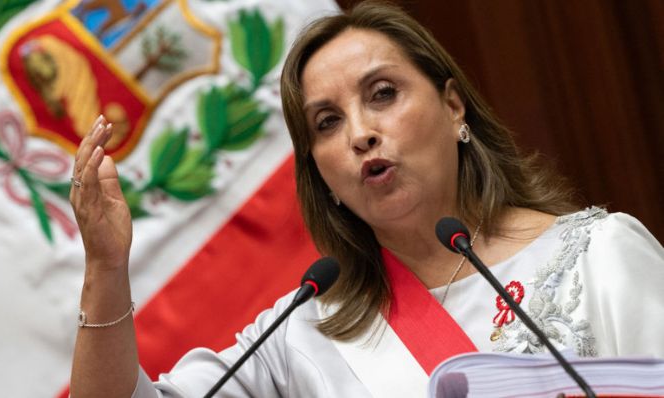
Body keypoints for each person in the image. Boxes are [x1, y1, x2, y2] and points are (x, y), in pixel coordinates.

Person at [68, 1, 664, 397]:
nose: (359, 134)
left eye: (382, 94)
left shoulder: (602, 256)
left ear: (454, 107)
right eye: (326, 123)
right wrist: (105, 266)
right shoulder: (300, 336)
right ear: (319, 172)